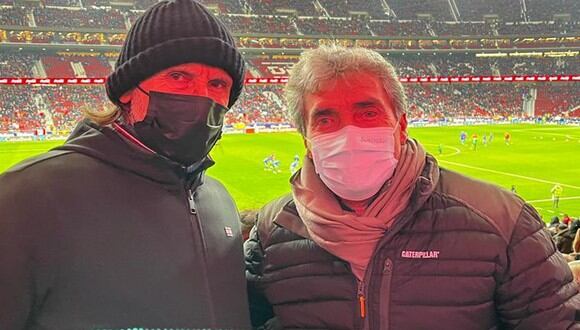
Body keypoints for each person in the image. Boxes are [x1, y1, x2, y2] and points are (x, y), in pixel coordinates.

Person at [245, 45, 579, 329]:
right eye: (326, 119)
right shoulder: (272, 231)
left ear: (401, 125)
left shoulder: (503, 221)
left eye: (368, 113)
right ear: (306, 139)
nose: (349, 134)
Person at [0, 1, 251, 329]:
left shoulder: (220, 203)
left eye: (218, 85)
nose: (200, 96)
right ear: (128, 91)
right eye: (178, 76)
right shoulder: (25, 199)